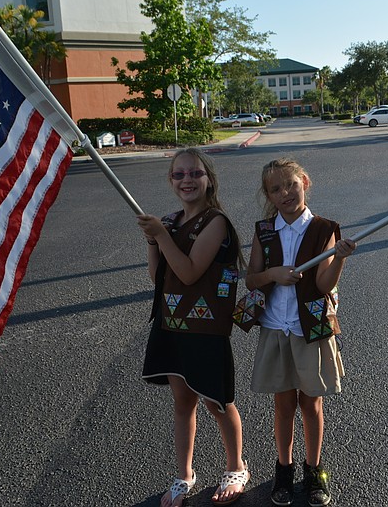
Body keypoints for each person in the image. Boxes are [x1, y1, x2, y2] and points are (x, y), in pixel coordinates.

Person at [138, 148, 249, 507]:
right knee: (182, 402)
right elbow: (159, 276)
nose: (187, 180)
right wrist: (155, 242)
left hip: (205, 328)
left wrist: (163, 237)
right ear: (171, 181)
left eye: (194, 174)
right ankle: (184, 473)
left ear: (208, 178)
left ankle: (236, 467)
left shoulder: (216, 222)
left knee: (217, 402)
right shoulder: (170, 221)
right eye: (179, 175)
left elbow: (188, 272)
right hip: (172, 324)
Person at [243, 158, 356, 507]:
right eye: (276, 189)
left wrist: (339, 259)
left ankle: (314, 469)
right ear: (269, 195)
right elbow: (251, 279)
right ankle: (284, 468)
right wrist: (274, 274)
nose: (285, 193)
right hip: (277, 327)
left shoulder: (325, 229)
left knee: (312, 404)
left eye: (291, 184)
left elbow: (322, 284)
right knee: (283, 406)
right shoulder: (264, 230)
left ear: (304, 181)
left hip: (311, 329)